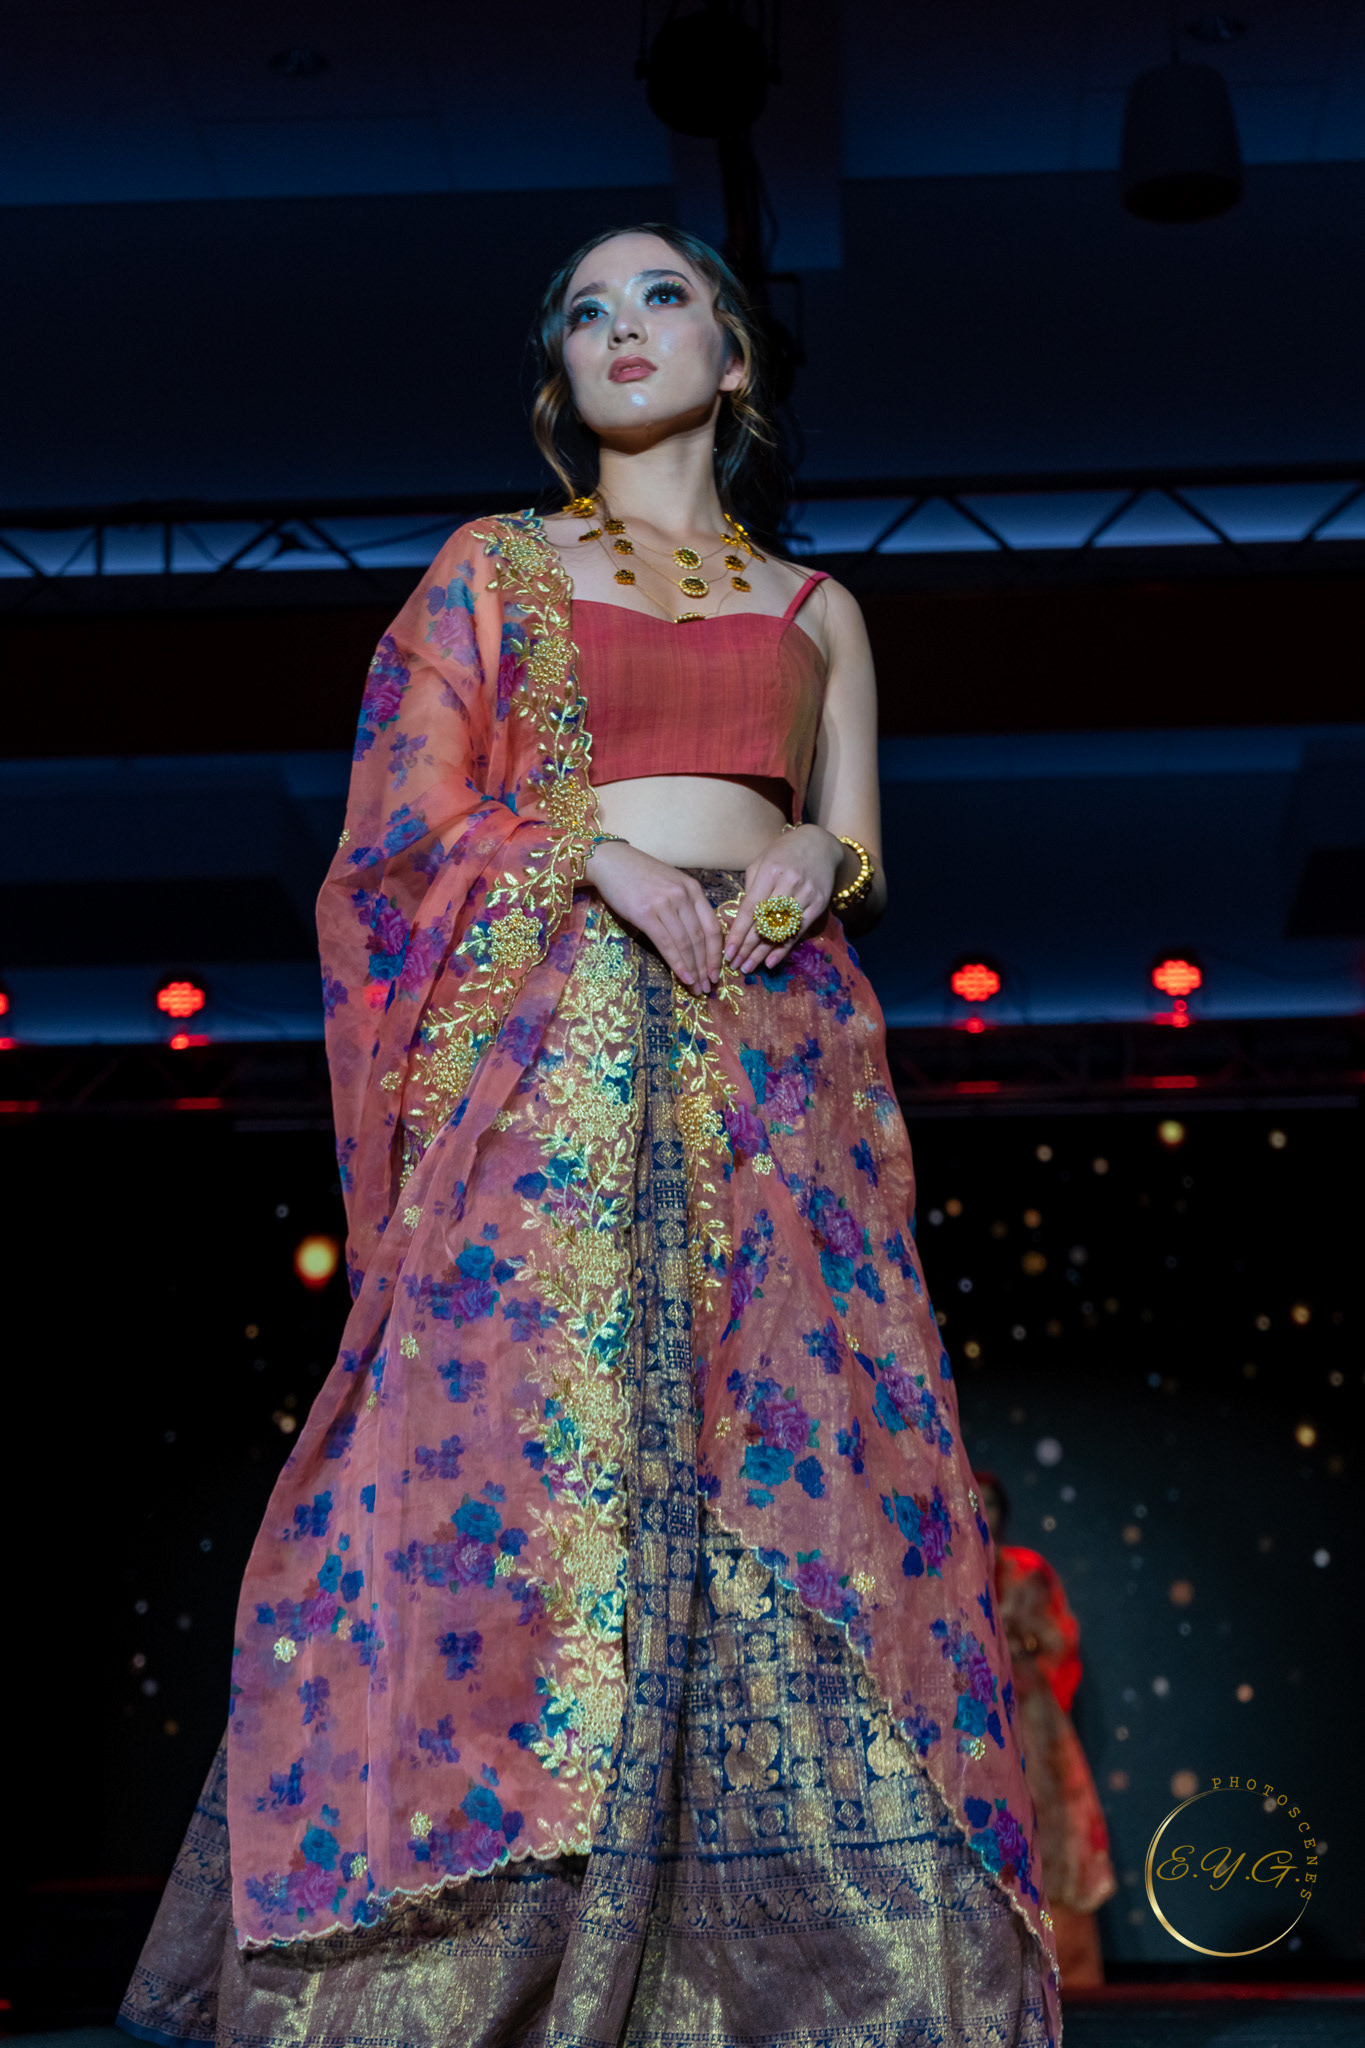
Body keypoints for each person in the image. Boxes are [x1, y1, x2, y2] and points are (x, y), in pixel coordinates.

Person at [120, 224, 1061, 2048]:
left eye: (663, 296)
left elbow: (859, 841)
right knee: (539, 1462)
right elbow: (401, 828)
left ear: (734, 353)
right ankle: (477, 1943)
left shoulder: (818, 607)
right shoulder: (498, 568)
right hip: (556, 1048)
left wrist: (816, 854)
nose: (623, 326)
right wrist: (593, 855)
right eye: (586, 309)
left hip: (770, 1045)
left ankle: (781, 1968)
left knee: (788, 1464)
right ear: (560, 373)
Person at [974, 1469, 1116, 1988]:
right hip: (972, 1723)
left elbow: (1060, 1643)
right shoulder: (944, 1570)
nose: (983, 1513)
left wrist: (1020, 1646)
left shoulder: (1027, 1570)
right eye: (974, 1501)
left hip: (1031, 1720)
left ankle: (1071, 1976)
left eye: (991, 1504)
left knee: (1049, 1828)